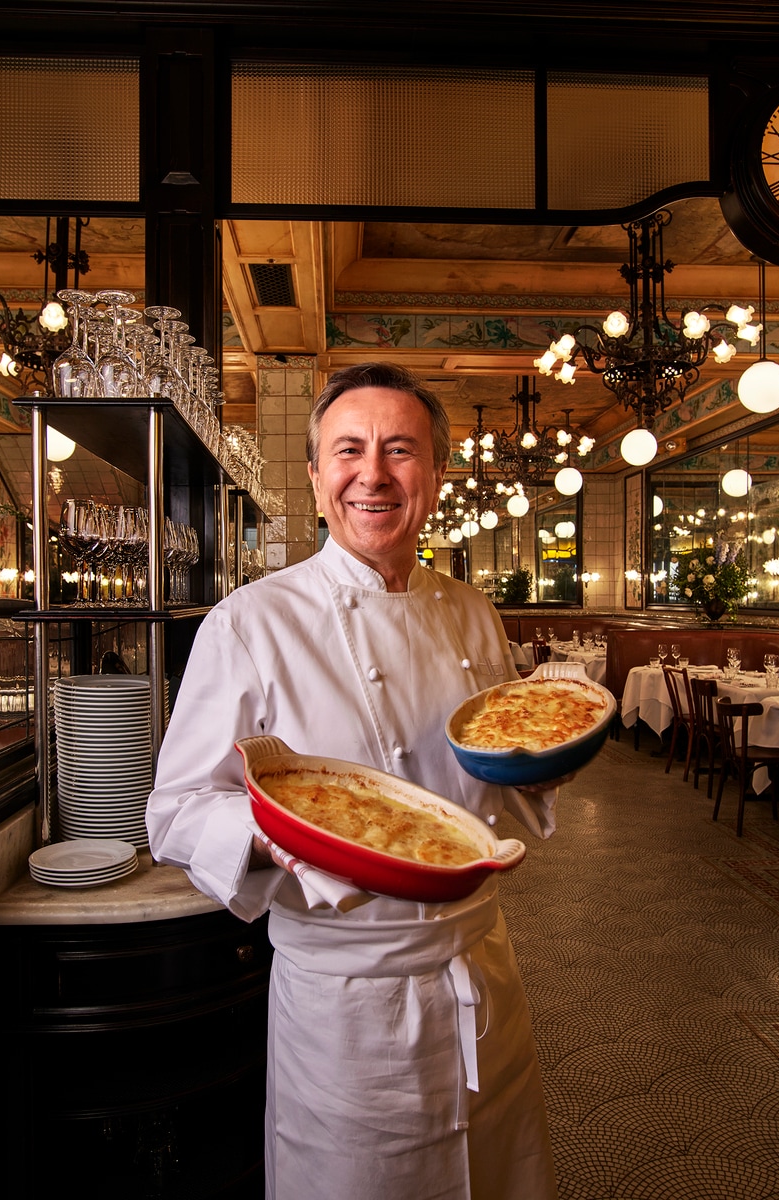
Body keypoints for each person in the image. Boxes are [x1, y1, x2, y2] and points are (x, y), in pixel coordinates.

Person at [147, 362, 558, 1200]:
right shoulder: (253, 621)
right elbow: (177, 810)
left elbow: (496, 769)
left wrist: (553, 751)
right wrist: (273, 837)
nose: (373, 474)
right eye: (349, 450)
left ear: (435, 475)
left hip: (482, 968)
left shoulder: (474, 611)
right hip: (346, 1003)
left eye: (400, 450)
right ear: (315, 474)